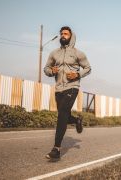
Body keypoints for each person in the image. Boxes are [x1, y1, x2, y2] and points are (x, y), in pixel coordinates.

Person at [44, 26, 91, 159]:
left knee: (62, 115)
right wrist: (51, 71)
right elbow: (46, 68)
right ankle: (76, 120)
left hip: (72, 87)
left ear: (71, 36)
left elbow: (88, 68)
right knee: (63, 115)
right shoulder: (54, 53)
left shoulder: (78, 53)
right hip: (59, 88)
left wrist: (77, 74)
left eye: (65, 34)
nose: (63, 36)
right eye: (61, 34)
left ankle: (56, 149)